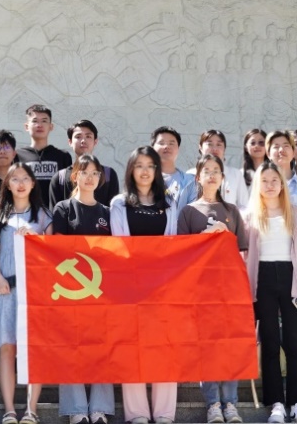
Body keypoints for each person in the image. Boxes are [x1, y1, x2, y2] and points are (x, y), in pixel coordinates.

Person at [177, 154, 246, 424]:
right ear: (198, 177)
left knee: (229, 346)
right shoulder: (189, 211)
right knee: (206, 347)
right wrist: (205, 236)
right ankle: (213, 403)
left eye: (216, 170)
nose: (212, 175)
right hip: (200, 289)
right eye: (207, 170)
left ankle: (231, 403)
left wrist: (225, 235)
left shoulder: (232, 211)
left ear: (222, 177)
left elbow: (241, 251)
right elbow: (181, 252)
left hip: (229, 287)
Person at [244, 162, 297, 424]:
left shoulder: (295, 213)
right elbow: (244, 254)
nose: (270, 185)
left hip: (291, 278)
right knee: (270, 342)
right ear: (258, 185)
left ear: (282, 184)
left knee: (294, 343)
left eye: (275, 180)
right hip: (262, 280)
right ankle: (276, 403)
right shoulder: (250, 216)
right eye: (265, 180)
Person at [111, 146, 177, 424]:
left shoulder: (170, 202)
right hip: (130, 286)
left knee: (165, 347)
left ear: (157, 170)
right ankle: (137, 413)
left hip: (163, 285)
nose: (145, 171)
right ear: (131, 170)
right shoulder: (119, 203)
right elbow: (119, 244)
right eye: (139, 165)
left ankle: (164, 413)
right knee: (132, 348)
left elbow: (173, 243)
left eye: (150, 165)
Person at [0, 162, 53, 424]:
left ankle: (31, 409)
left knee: (33, 350)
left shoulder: (43, 216)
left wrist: (36, 238)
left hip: (35, 292)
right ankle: (10, 410)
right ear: (8, 184)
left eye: (25, 178)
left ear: (33, 183)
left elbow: (54, 254)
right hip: (6, 290)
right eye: (15, 179)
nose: (20, 183)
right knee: (7, 348)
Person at [51, 154, 114, 424]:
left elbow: (114, 251)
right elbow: (58, 249)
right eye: (84, 172)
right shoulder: (63, 209)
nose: (90, 178)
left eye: (95, 173)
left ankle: (99, 407)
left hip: (102, 290)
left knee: (102, 347)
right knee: (71, 347)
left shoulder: (107, 213)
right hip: (71, 289)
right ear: (75, 176)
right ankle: (76, 408)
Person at [49, 119, 120, 208]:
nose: (83, 140)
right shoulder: (59, 179)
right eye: (78, 136)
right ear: (70, 142)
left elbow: (114, 212)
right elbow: (55, 213)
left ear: (95, 141)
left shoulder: (108, 175)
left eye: (88, 136)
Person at [17, 104, 73, 205]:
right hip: (26, 212)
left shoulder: (63, 156)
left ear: (51, 126)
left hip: (55, 212)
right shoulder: (17, 156)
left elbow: (68, 189)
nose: (39, 125)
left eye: (44, 121)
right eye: (35, 121)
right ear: (26, 126)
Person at [266, 130, 297, 225]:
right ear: (268, 153)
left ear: (293, 152)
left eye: (286, 146)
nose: (281, 150)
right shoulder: (261, 186)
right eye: (276, 146)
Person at [191, 130, 248, 208]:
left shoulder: (236, 174)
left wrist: (233, 214)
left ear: (224, 148)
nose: (215, 149)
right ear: (200, 147)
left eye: (219, 144)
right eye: (209, 144)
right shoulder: (191, 174)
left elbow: (244, 205)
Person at [150, 126, 192, 215]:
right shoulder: (144, 178)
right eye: (161, 143)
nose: (166, 146)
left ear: (178, 148)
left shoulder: (190, 181)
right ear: (152, 148)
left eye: (171, 143)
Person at [240, 128, 267, 193]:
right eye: (253, 143)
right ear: (246, 148)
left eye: (261, 143)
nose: (257, 146)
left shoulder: (275, 172)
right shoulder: (240, 174)